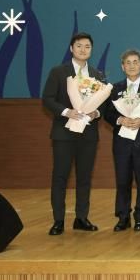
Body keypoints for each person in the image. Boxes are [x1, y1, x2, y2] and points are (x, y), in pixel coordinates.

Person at [42, 32, 105, 235]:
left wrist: (96, 113)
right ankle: (58, 221)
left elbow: (104, 106)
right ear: (71, 48)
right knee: (60, 177)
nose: (83, 49)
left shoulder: (97, 74)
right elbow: (47, 99)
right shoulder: (58, 72)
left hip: (88, 134)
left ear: (91, 50)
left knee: (84, 177)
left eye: (87, 46)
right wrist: (66, 111)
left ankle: (81, 218)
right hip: (64, 133)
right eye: (79, 46)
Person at [104, 49, 140, 232]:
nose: (131, 66)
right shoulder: (114, 89)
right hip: (122, 143)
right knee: (122, 181)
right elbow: (107, 113)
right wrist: (120, 119)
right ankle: (123, 218)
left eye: (135, 62)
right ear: (122, 67)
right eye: (127, 63)